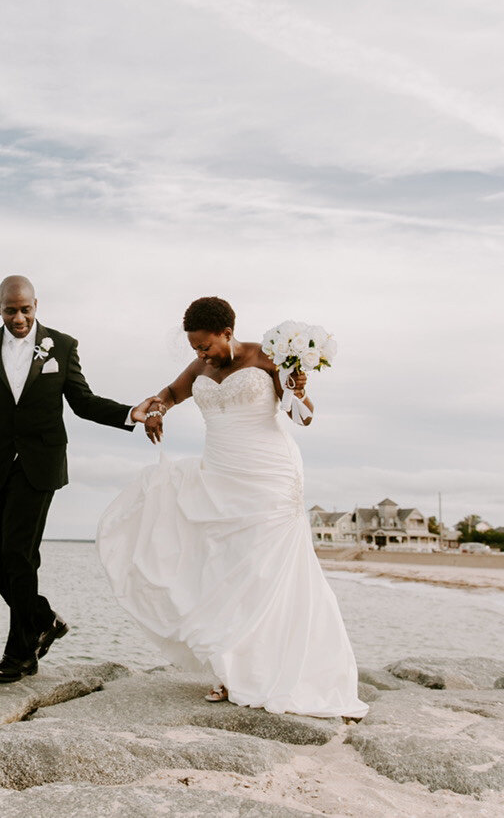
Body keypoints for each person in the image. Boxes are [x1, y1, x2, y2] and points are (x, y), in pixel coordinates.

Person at [96, 296, 367, 718]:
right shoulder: (201, 368)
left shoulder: (268, 356)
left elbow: (304, 418)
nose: (201, 354)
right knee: (225, 569)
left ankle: (268, 671)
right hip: (219, 473)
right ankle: (232, 668)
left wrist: (297, 388)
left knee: (263, 571)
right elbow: (171, 392)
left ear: (228, 333)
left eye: (206, 346)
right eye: (195, 349)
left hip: (269, 473)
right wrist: (157, 410)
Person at [0, 275, 159, 683]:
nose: (19, 317)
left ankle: (20, 655)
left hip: (39, 464)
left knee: (18, 554)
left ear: (37, 305)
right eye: (10, 309)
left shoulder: (62, 345)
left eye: (26, 309)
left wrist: (130, 414)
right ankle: (41, 619)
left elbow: (83, 402)